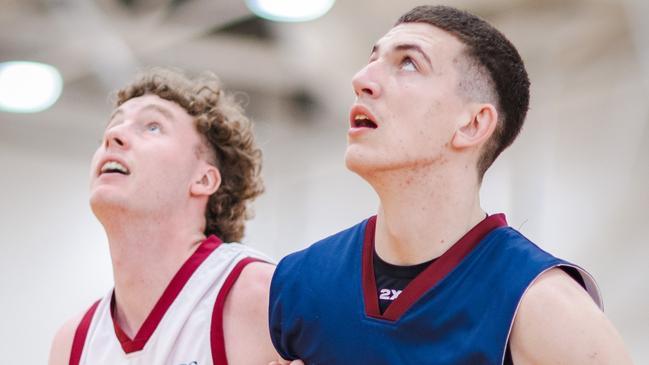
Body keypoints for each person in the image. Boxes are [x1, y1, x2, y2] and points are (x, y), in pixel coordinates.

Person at [268, 5, 632, 364]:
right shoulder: (299, 282)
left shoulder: (542, 306)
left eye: (409, 63)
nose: (361, 79)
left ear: (472, 124)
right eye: (372, 58)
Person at [49, 68, 286, 365]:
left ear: (204, 179)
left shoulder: (261, 295)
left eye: (152, 127)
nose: (114, 135)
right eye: (114, 125)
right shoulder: (73, 343)